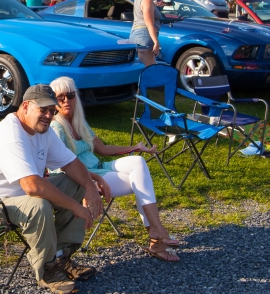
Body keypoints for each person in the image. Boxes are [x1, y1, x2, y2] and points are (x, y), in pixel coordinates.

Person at [0, 84, 103, 294]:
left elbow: (70, 163)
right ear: (25, 106)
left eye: (52, 111)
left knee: (74, 183)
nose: (48, 115)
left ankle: (62, 256)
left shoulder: (41, 130)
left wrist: (90, 186)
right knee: (38, 202)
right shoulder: (10, 135)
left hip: (16, 197)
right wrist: (77, 207)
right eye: (43, 109)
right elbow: (32, 186)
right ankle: (47, 269)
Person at [49, 77, 180, 262]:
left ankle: (156, 230)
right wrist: (89, 184)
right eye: (60, 97)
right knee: (141, 183)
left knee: (138, 162)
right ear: (53, 101)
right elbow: (58, 166)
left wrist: (134, 148)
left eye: (70, 95)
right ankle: (156, 237)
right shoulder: (56, 127)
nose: (66, 101)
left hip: (100, 167)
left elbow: (102, 149)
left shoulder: (79, 122)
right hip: (85, 178)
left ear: (75, 97)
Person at [131, 0, 163, 67]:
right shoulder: (147, 1)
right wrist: (156, 42)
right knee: (149, 68)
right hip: (145, 35)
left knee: (142, 67)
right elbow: (149, 25)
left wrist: (155, 5)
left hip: (136, 33)